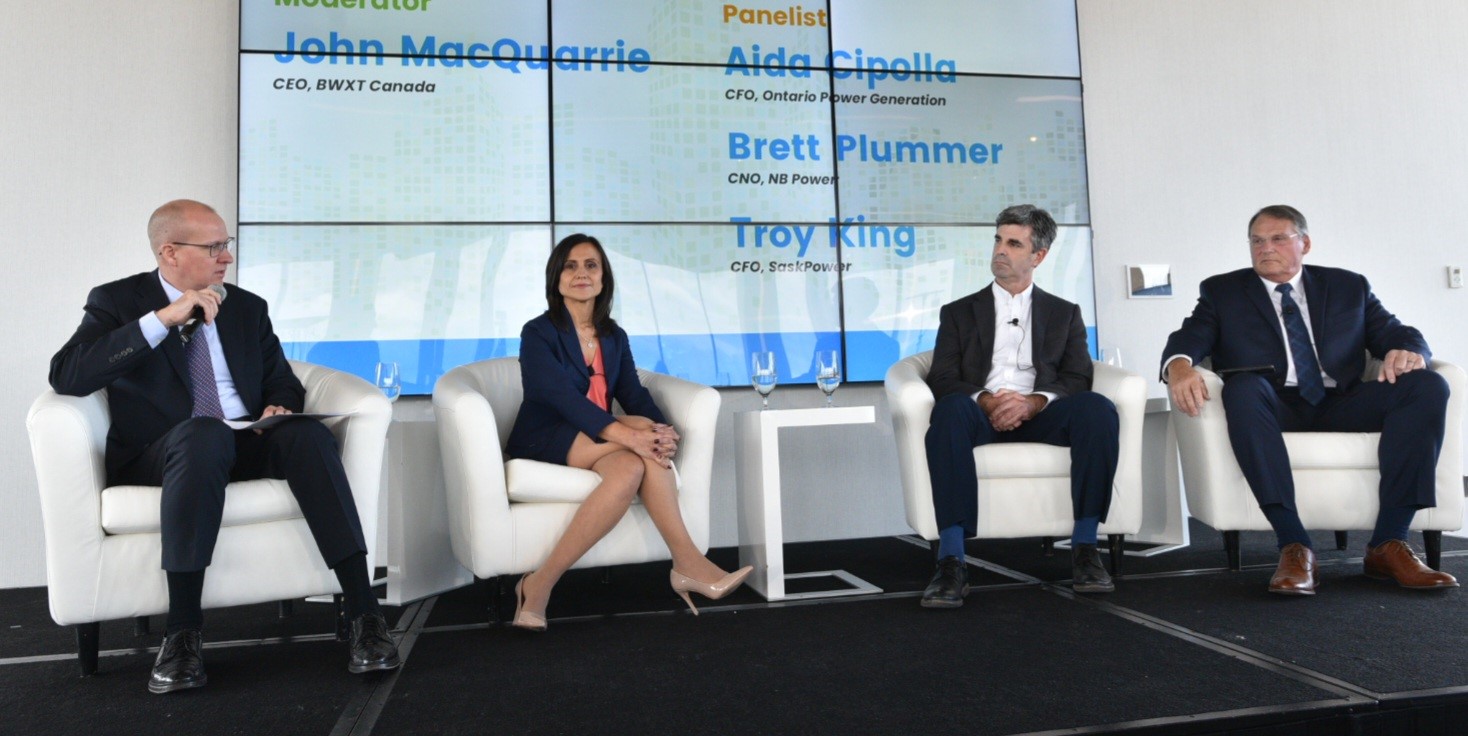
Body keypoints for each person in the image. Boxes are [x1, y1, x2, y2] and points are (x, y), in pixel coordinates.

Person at [48, 200, 400, 694]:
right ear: (170, 252)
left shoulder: (246, 307)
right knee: (204, 433)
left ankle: (365, 615)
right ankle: (182, 634)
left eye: (226, 244)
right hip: (164, 451)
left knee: (307, 435)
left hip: (244, 439)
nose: (227, 257)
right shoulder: (118, 301)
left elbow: (282, 379)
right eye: (214, 247)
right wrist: (162, 320)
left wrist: (279, 406)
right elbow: (68, 375)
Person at [1161, 204, 1457, 595]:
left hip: (1342, 400)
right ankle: (1294, 545)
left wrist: (1408, 350)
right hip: (1272, 403)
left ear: (1305, 243)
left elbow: (1394, 331)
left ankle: (1389, 542)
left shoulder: (1348, 286)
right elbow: (1190, 336)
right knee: (1242, 387)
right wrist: (1178, 365)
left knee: (1428, 385)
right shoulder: (1223, 291)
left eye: (1277, 238)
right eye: (1257, 241)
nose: (1266, 248)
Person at [505, 234, 751, 630]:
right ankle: (688, 563)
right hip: (545, 434)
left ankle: (539, 584)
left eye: (591, 265)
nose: (581, 273)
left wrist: (661, 430)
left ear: (604, 277)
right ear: (556, 278)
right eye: (570, 266)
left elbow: (632, 393)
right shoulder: (538, 332)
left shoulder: (613, 336)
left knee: (633, 463)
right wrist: (633, 434)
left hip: (594, 439)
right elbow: (559, 398)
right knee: (639, 434)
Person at [921, 205, 1120, 608]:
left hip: (1042, 416)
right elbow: (941, 377)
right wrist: (988, 399)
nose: (1000, 250)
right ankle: (951, 561)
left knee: (1097, 408)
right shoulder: (958, 313)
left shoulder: (1065, 314)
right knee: (949, 410)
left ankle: (1085, 548)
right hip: (980, 414)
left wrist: (1033, 402)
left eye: (1014, 243)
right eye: (998, 240)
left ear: (1038, 256)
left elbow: (1077, 377)